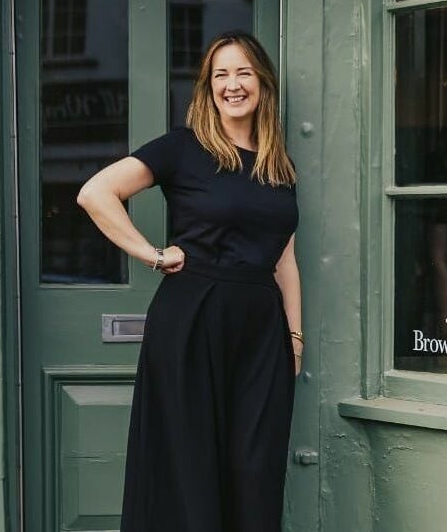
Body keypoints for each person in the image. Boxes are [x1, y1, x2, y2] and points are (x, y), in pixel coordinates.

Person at [76, 30, 302, 532]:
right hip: (192, 322)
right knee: (191, 470)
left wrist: (294, 336)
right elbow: (95, 193)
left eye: (243, 72)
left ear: (262, 83)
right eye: (221, 74)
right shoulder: (183, 148)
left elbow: (285, 258)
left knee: (255, 471)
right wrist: (152, 255)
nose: (232, 84)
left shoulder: (278, 164)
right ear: (208, 87)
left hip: (261, 333)